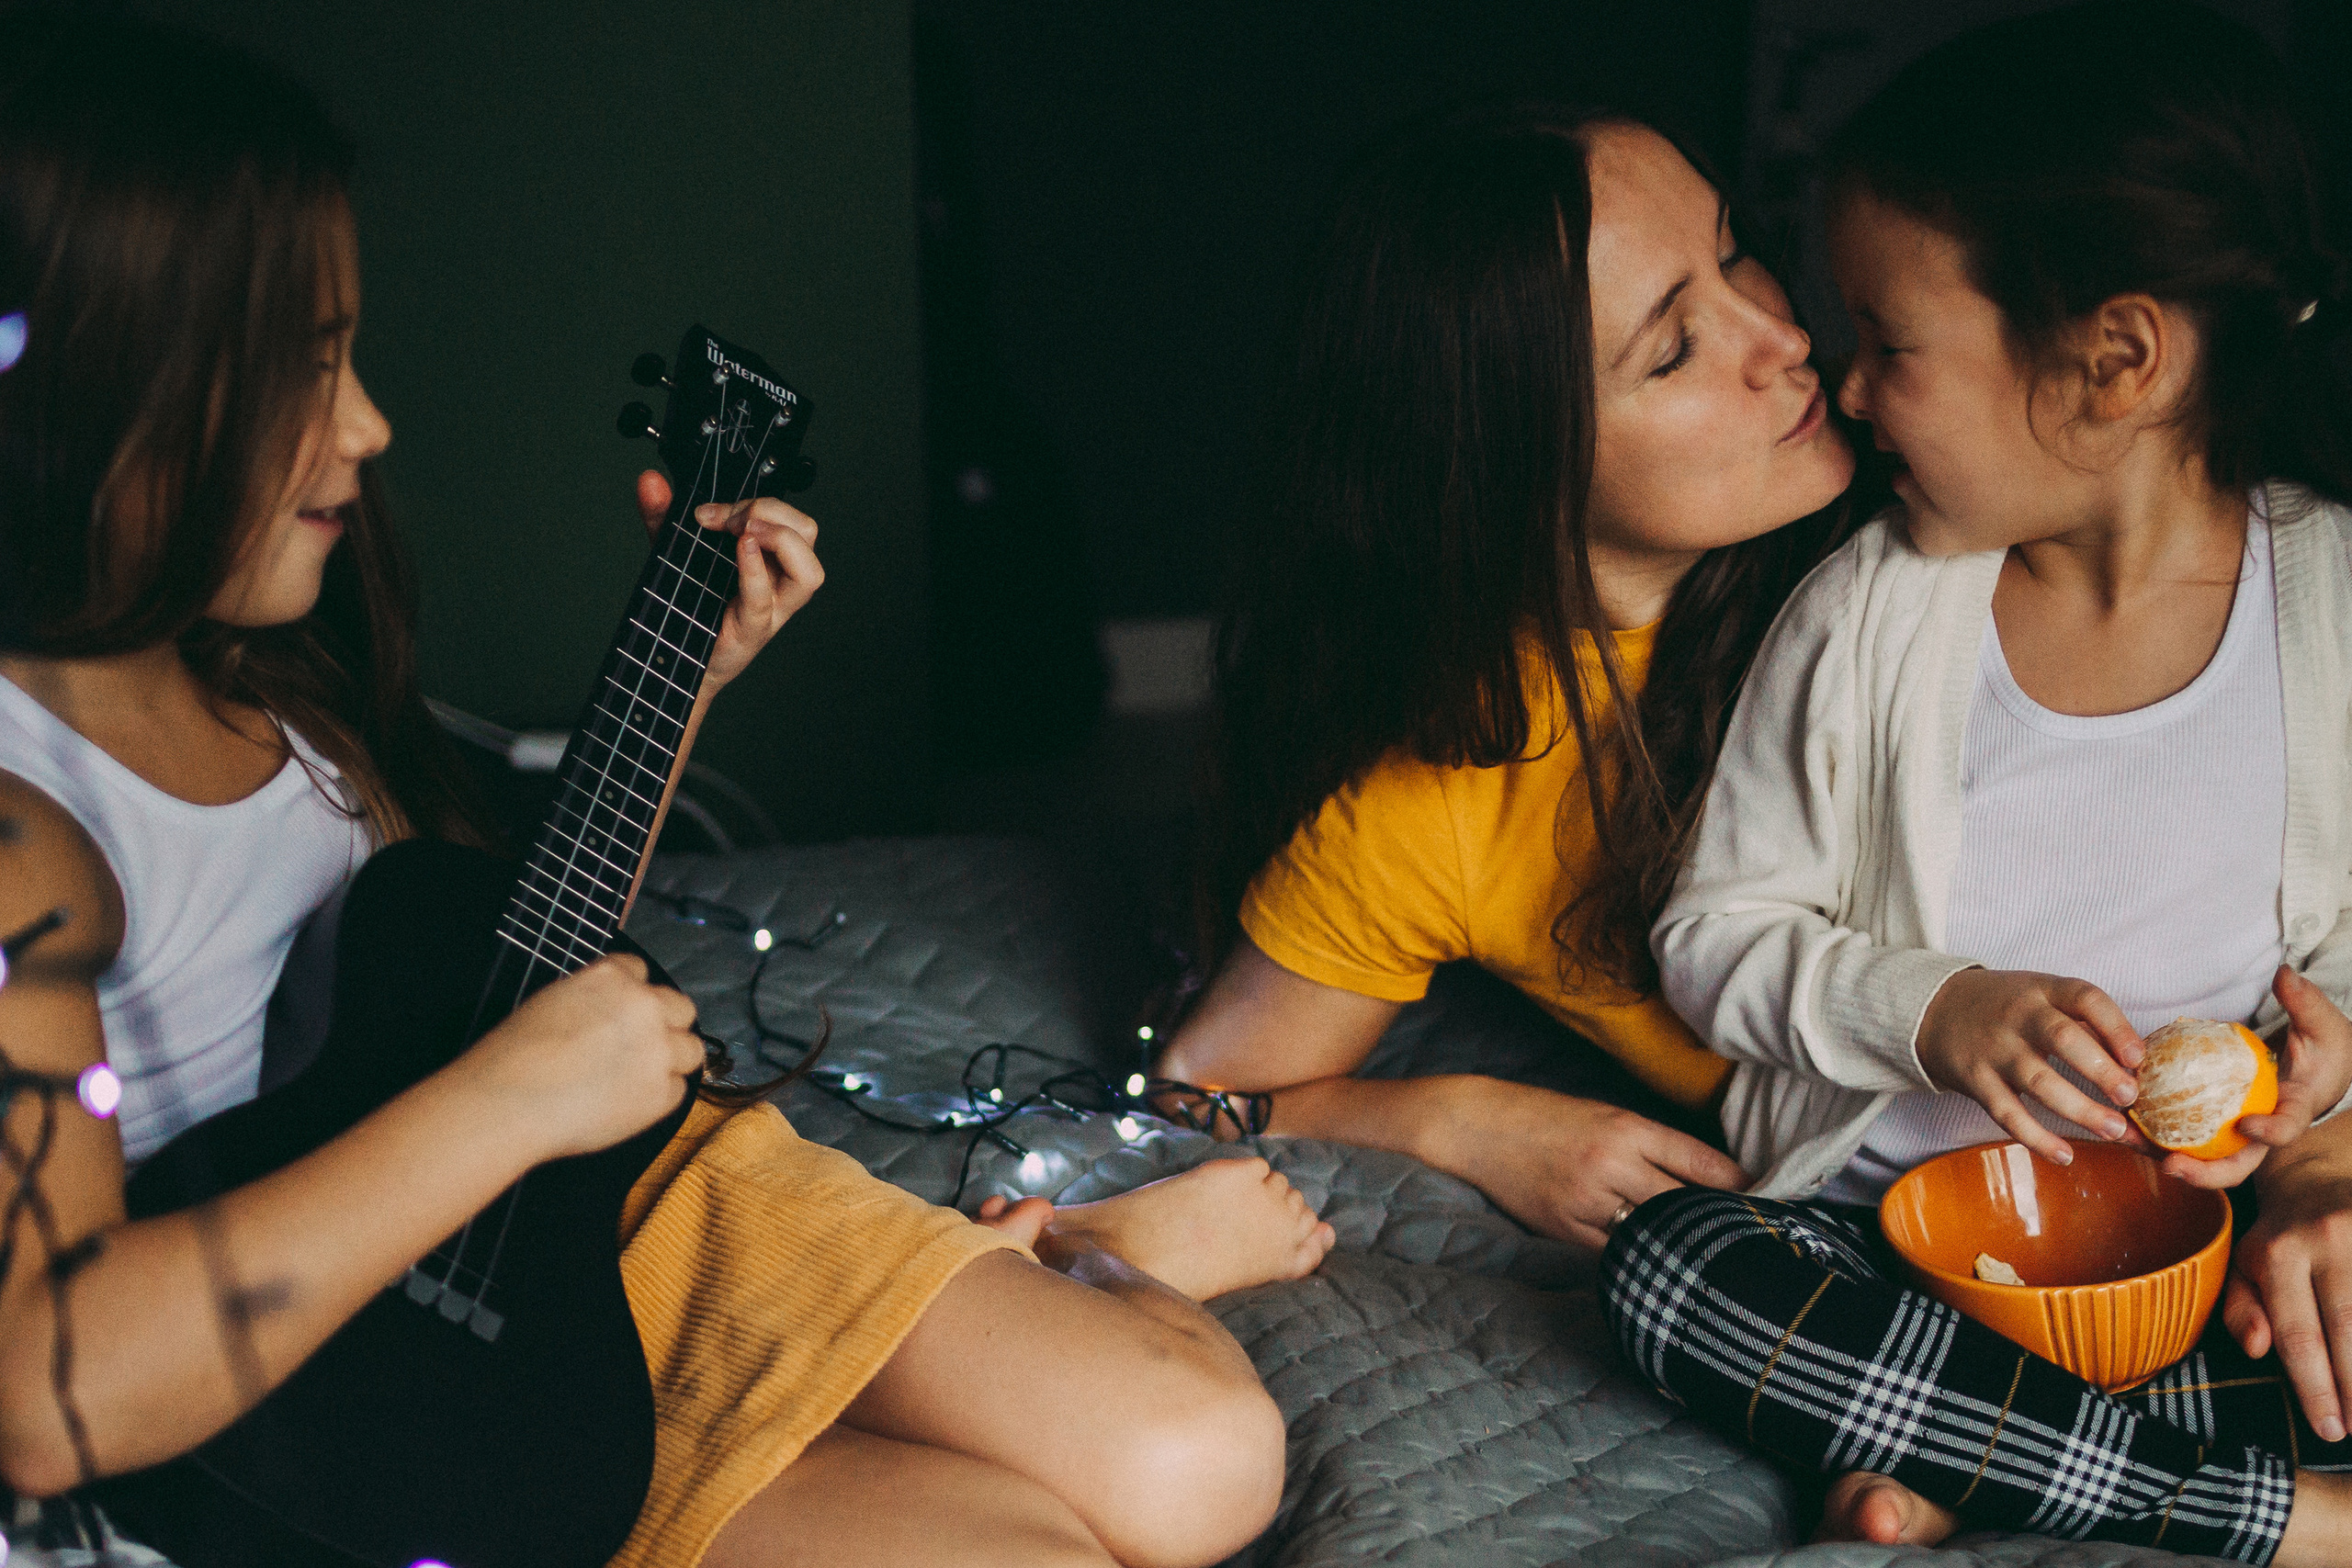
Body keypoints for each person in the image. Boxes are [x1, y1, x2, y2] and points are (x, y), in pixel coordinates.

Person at [0, 17, 1333, 1568]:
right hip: (355, 1409)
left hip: (586, 1220)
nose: (367, 425)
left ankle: (1068, 1251)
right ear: (104, 396)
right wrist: (512, 1099)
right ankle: (1005, 1278)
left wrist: (681, 684)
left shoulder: (259, 661)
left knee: (1206, 1462)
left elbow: (472, 974)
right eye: (307, 371)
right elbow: (46, 1395)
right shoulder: (28, 830)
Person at [1611, 5, 2352, 1562]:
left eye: (1892, 347)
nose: (1849, 389)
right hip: (1890, 1252)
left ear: (2115, 361)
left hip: (2201, 1255)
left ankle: (1968, 1448)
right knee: (1672, 1265)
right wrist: (1932, 1008)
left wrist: (2323, 1129)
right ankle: (2274, 1513)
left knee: (2327, 1288)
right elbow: (1711, 936)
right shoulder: (1867, 615)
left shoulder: (2332, 604)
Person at [1156, 105, 1857, 1248]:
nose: (1781, 336)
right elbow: (1202, 1092)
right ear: (1513, 465)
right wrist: (1463, 1122)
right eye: (1673, 349)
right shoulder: (1449, 789)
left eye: (1734, 254)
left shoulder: (1938, 510)